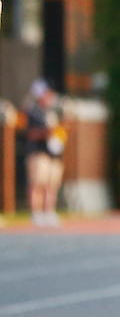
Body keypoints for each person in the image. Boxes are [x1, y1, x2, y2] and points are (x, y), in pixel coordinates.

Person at [22, 79, 66, 227]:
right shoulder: (33, 111)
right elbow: (28, 133)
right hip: (38, 153)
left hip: (53, 153)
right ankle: (36, 212)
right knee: (37, 184)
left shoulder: (54, 112)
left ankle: (49, 212)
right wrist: (48, 132)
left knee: (51, 185)